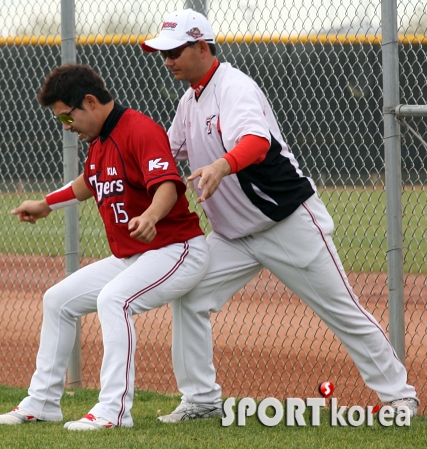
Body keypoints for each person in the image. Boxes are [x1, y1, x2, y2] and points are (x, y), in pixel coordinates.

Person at [141, 8, 420, 422]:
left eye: (175, 51)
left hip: (287, 223)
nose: (167, 61)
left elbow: (256, 141)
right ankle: (201, 401)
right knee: (191, 296)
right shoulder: (189, 101)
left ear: (202, 46)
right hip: (235, 236)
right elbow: (165, 153)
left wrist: (221, 165)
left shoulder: (235, 88)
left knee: (341, 309)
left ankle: (400, 397)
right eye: (163, 53)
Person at [0, 63, 209, 430]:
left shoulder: (139, 129)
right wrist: (45, 204)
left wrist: (152, 216)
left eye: (65, 116)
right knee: (57, 300)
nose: (65, 125)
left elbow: (167, 185)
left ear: (89, 102)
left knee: (113, 300)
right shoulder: (101, 142)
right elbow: (87, 183)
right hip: (135, 256)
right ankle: (42, 402)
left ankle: (113, 411)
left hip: (177, 248)